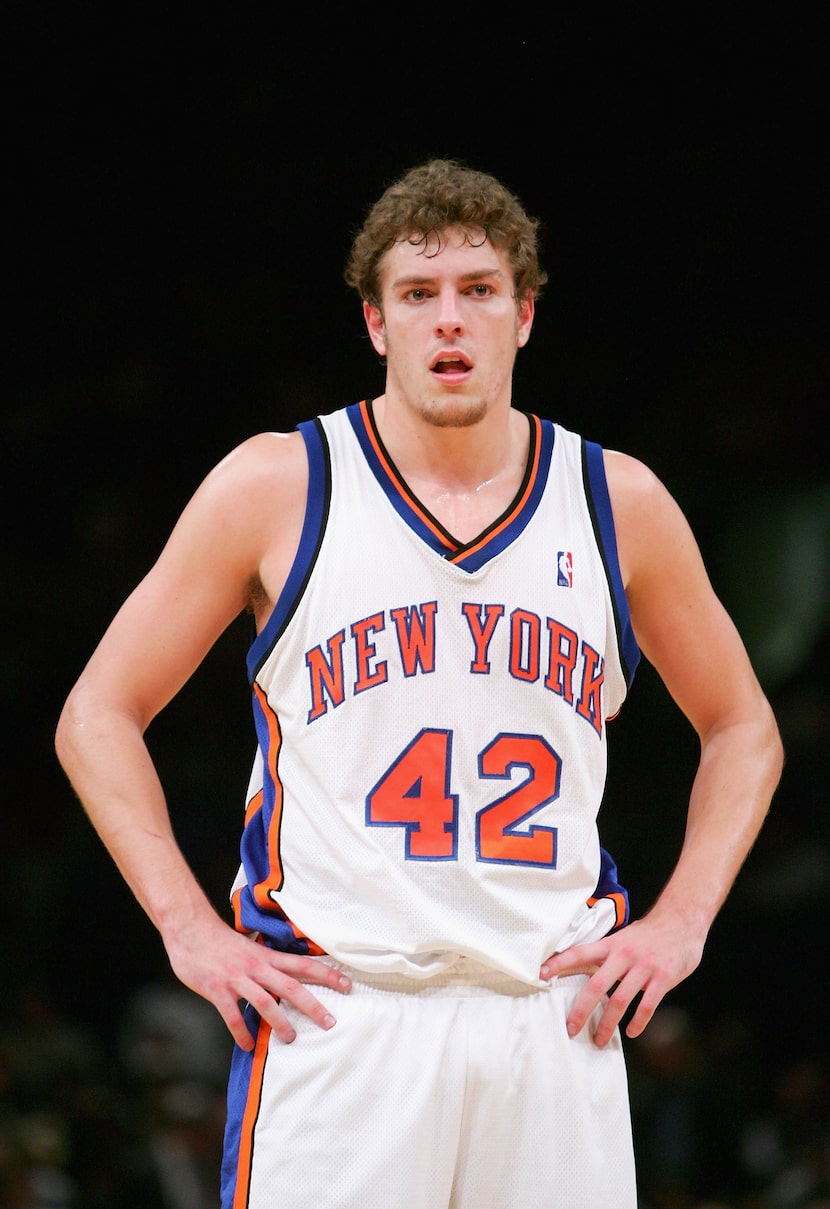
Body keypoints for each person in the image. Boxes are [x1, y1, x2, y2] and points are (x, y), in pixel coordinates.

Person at [55, 158, 783, 1209]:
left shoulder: (614, 501)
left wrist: (680, 921)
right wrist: (186, 928)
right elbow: (97, 714)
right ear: (374, 323)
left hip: (550, 1013)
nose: (451, 322)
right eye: (418, 294)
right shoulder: (279, 485)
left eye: (479, 291)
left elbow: (742, 728)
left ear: (524, 316)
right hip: (344, 1012)